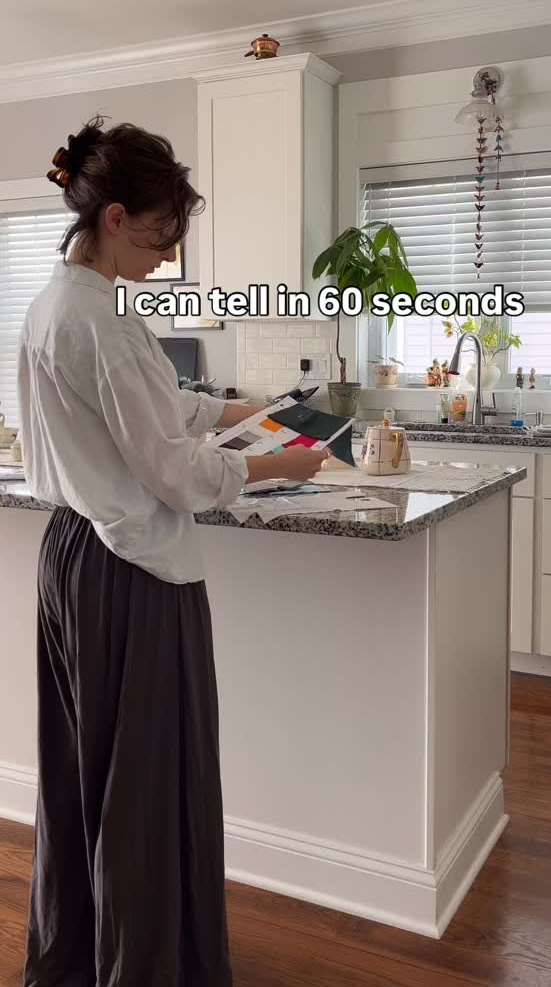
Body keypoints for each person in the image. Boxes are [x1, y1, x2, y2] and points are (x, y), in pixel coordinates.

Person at [17, 115, 328, 987]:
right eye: (159, 237)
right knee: (149, 785)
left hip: (72, 556)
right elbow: (179, 475)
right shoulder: (104, 322)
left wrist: (239, 412)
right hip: (132, 569)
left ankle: (83, 958)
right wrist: (278, 462)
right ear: (114, 218)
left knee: (86, 776)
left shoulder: (59, 303)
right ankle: (148, 967)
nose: (164, 258)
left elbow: (153, 409)